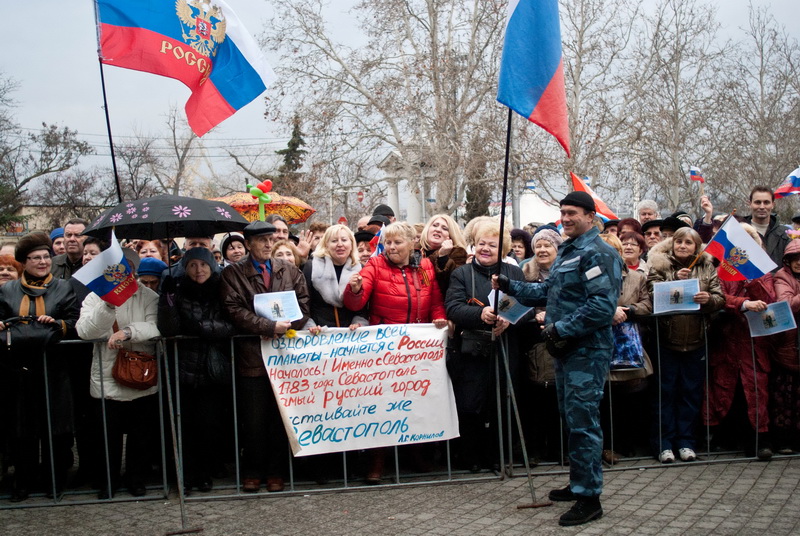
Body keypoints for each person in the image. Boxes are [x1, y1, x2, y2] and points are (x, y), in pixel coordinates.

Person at [493, 191, 622, 527]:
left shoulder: (599, 253)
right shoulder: (569, 249)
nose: (565, 218)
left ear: (590, 216)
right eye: (562, 212)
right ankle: (578, 481)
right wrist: (510, 284)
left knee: (583, 422)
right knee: (572, 418)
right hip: (565, 350)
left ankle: (589, 498)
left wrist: (558, 328)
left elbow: (601, 308)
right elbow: (548, 291)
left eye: (573, 213)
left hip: (586, 351)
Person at [343, 222, 447, 483]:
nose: (390, 247)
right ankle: (377, 461)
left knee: (415, 401)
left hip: (417, 348)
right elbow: (357, 299)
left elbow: (434, 299)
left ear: (412, 243)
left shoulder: (424, 266)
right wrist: (354, 289)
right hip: (385, 349)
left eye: (397, 242)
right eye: (387, 243)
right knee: (384, 405)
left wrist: (439, 318)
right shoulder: (376, 265)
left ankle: (415, 453)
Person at [220, 221, 310, 493]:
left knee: (279, 418)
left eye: (271, 239)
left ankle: (276, 472)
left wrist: (289, 324)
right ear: (248, 244)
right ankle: (252, 471)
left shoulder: (290, 270)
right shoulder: (233, 274)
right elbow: (233, 309)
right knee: (254, 419)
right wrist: (267, 326)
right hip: (252, 357)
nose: (269, 244)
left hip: (284, 357)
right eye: (262, 240)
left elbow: (303, 303)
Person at [0, 232, 79, 501]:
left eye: (46, 256)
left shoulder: (64, 286)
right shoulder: (7, 289)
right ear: (24, 262)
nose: (43, 262)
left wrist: (58, 324)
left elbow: (73, 319)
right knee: (23, 428)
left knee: (55, 427)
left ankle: (54, 481)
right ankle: (23, 482)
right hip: (19, 369)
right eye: (36, 258)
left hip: (53, 367)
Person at [76, 249, 161, 499]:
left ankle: (136, 478)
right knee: (107, 435)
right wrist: (107, 305)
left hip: (140, 372)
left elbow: (155, 325)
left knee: (140, 434)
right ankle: (108, 481)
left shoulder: (148, 295)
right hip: (106, 374)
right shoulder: (94, 298)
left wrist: (128, 332)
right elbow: (84, 331)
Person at [445, 221, 525, 472]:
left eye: (492, 245)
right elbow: (454, 307)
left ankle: (498, 455)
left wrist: (507, 318)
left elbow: (527, 306)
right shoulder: (462, 273)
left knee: (501, 401)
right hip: (472, 350)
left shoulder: (513, 274)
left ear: (502, 250)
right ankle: (470, 456)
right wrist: (481, 313)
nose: (485, 249)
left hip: (505, 346)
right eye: (481, 244)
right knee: (471, 404)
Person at [158, 247, 236, 493]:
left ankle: (205, 472)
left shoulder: (222, 289)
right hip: (184, 367)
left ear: (211, 266)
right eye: (192, 265)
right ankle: (185, 475)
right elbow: (169, 328)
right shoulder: (178, 290)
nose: (198, 270)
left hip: (212, 369)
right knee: (185, 425)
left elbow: (229, 324)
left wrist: (201, 327)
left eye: (203, 265)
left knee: (208, 425)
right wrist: (168, 297)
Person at [647, 227, 724, 465]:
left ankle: (686, 442)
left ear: (697, 246)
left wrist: (708, 300)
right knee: (665, 394)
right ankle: (664, 444)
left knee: (690, 394)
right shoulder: (660, 265)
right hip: (667, 340)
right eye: (678, 241)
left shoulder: (706, 266)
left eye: (688, 242)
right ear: (672, 244)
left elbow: (720, 297)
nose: (682, 246)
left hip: (696, 341)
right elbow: (651, 294)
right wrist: (674, 281)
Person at [704, 224, 774, 460]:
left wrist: (752, 280)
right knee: (723, 389)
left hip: (754, 343)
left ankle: (758, 441)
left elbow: (769, 298)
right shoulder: (722, 269)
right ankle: (720, 438)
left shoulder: (763, 271)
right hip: (726, 340)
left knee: (755, 391)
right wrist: (743, 303)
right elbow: (721, 297)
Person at [597, 233, 653, 464]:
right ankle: (604, 446)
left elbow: (647, 304)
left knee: (629, 396)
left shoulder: (636, 278)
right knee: (602, 399)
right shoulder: (590, 277)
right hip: (598, 344)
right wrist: (606, 312)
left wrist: (627, 310)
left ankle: (625, 443)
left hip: (627, 345)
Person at [519, 227, 564, 463]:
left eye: (548, 245)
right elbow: (516, 301)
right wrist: (534, 314)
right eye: (538, 246)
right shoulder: (524, 271)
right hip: (533, 341)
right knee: (535, 398)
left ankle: (559, 449)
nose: (542, 250)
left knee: (558, 398)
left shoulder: (567, 271)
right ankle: (535, 449)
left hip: (561, 339)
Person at [303, 224, 368, 331]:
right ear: (326, 245)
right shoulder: (311, 267)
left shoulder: (361, 269)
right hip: (318, 334)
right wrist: (310, 326)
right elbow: (304, 302)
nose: (340, 244)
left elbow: (364, 306)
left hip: (351, 336)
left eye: (344, 240)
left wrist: (359, 323)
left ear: (351, 244)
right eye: (334, 241)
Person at [771, 239, 800, 453]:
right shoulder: (782, 277)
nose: (798, 262)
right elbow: (786, 305)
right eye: (794, 259)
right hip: (789, 345)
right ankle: (784, 440)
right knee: (786, 395)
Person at [418, 214, 468, 296]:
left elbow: (449, 285)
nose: (438, 230)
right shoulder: (414, 250)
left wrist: (443, 257)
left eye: (444, 228)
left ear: (451, 236)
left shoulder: (458, 254)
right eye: (435, 225)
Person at [744, 186, 790, 269]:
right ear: (750, 204)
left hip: (778, 281)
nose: (762, 207)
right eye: (757, 202)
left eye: (766, 202)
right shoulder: (739, 231)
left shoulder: (786, 234)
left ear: (773, 205)